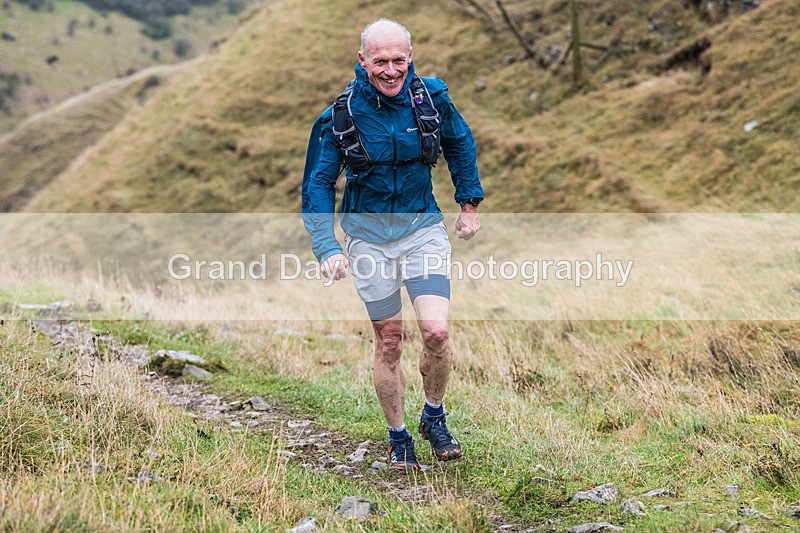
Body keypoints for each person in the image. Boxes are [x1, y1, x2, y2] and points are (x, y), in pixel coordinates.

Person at [302, 18, 484, 471]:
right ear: (362, 61)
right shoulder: (338, 117)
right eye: (379, 61)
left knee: (437, 333)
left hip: (422, 229)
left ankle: (434, 416)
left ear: (410, 56)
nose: (389, 70)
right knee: (389, 340)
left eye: (398, 60)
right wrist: (327, 246)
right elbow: (318, 184)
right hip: (368, 241)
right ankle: (398, 434)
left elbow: (459, 144)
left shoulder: (431, 98)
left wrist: (468, 202)